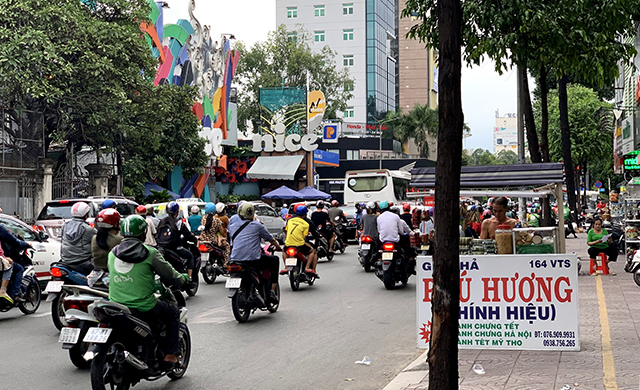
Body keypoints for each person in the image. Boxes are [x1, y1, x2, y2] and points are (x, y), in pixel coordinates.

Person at [108, 215, 189, 369]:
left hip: (115, 304)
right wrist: (183, 279)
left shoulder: (112, 253)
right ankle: (170, 355)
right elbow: (170, 274)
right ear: (143, 232)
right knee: (172, 312)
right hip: (144, 306)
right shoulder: (150, 253)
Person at [228, 202, 282, 303]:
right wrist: (278, 247)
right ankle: (271, 291)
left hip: (235, 259)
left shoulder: (232, 226)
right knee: (275, 260)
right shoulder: (257, 226)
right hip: (253, 260)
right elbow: (271, 239)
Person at [156, 201, 196, 286]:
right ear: (177, 212)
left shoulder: (161, 221)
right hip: (175, 248)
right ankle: (189, 278)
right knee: (190, 256)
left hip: (161, 248)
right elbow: (188, 235)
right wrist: (195, 240)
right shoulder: (179, 223)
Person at [60, 202, 97, 275]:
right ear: (86, 214)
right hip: (83, 261)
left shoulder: (65, 226)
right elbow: (100, 239)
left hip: (65, 261)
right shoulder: (88, 229)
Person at [377, 201, 413, 272]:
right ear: (389, 208)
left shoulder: (379, 218)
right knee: (405, 245)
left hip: (383, 241)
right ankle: (409, 258)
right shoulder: (396, 217)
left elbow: (379, 230)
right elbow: (401, 231)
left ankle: (379, 258)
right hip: (395, 241)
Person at [283, 205, 318, 277]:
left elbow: (286, 232)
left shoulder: (289, 221)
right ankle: (307, 267)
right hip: (299, 244)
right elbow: (304, 237)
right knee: (312, 251)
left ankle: (286, 267)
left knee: (284, 250)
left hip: (288, 243)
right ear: (305, 214)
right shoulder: (306, 223)